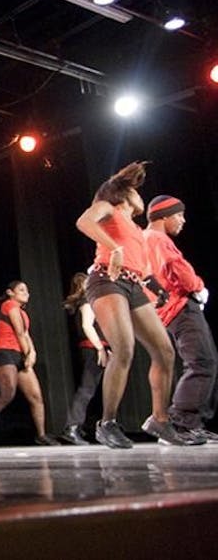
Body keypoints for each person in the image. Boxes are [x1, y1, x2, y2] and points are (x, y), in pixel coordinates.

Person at [75, 161, 192, 448]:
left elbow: (140, 266)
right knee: (124, 348)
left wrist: (156, 287)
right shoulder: (108, 207)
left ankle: (160, 420)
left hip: (133, 284)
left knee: (164, 351)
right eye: (136, 191)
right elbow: (84, 222)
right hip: (106, 280)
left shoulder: (137, 229)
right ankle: (107, 423)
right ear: (124, 194)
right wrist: (113, 248)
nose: (141, 196)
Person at [144, 195, 218, 443]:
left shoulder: (144, 239)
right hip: (180, 307)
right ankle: (181, 422)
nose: (183, 220)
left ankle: (191, 423)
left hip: (168, 310)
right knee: (202, 362)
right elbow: (176, 265)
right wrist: (198, 286)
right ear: (164, 216)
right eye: (179, 215)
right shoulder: (157, 238)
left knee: (202, 361)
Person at [0, 281, 58, 447]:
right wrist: (28, 353)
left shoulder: (23, 312)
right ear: (10, 292)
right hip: (4, 353)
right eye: (21, 290)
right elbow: (19, 332)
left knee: (36, 397)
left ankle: (41, 435)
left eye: (27, 290)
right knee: (7, 395)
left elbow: (26, 334)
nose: (26, 293)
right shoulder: (9, 305)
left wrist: (32, 352)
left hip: (20, 354)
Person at [59, 272, 109, 445]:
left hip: (97, 347)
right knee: (87, 388)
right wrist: (100, 348)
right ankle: (72, 427)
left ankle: (80, 426)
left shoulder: (89, 301)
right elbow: (87, 326)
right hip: (92, 348)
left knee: (93, 389)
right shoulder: (87, 301)